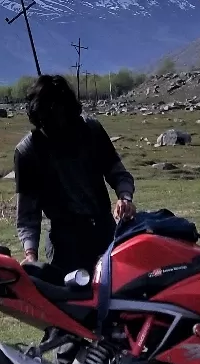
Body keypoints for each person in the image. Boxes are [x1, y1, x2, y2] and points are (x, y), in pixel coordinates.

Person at [14, 74, 136, 281]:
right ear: (39, 120)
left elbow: (118, 172)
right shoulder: (27, 152)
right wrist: (30, 254)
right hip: (65, 246)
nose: (60, 129)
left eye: (66, 122)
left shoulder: (91, 131)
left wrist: (125, 197)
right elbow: (27, 214)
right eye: (51, 126)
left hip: (105, 232)